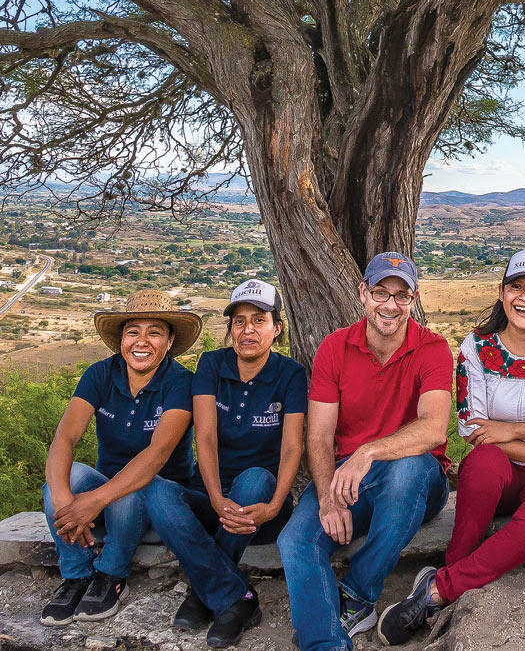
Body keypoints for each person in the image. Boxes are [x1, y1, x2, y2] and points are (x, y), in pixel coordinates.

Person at [376, 249, 525, 645]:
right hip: (516, 470)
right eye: (516, 287)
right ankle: (456, 577)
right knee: (482, 463)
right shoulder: (476, 347)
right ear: (501, 292)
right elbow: (473, 429)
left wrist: (508, 429)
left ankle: (438, 589)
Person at [277, 252, 453, 651]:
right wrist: (326, 498)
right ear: (363, 293)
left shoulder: (432, 348)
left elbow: (433, 428)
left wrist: (367, 452)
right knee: (297, 540)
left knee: (407, 470)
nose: (390, 305)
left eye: (401, 295)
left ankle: (358, 594)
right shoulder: (335, 348)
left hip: (420, 481)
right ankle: (326, 643)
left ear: (414, 299)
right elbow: (319, 438)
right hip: (349, 479)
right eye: (380, 292)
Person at [144, 280, 307, 647]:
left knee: (252, 479)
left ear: (276, 328)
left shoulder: (290, 374)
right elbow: (205, 437)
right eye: (239, 321)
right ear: (231, 328)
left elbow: (292, 447)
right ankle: (233, 596)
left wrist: (276, 504)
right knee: (156, 491)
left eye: (259, 320)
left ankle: (203, 591)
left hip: (262, 507)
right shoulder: (212, 364)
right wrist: (216, 498)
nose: (247, 329)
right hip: (212, 502)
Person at [40, 290, 199, 626]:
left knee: (133, 487)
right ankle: (77, 575)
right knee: (60, 481)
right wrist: (65, 502)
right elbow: (65, 437)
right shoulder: (100, 374)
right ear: (120, 340)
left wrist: (91, 502)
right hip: (105, 501)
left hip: (157, 502)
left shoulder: (181, 382)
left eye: (154, 332)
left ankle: (111, 575)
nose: (142, 342)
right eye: (133, 332)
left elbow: (156, 456)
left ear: (169, 342)